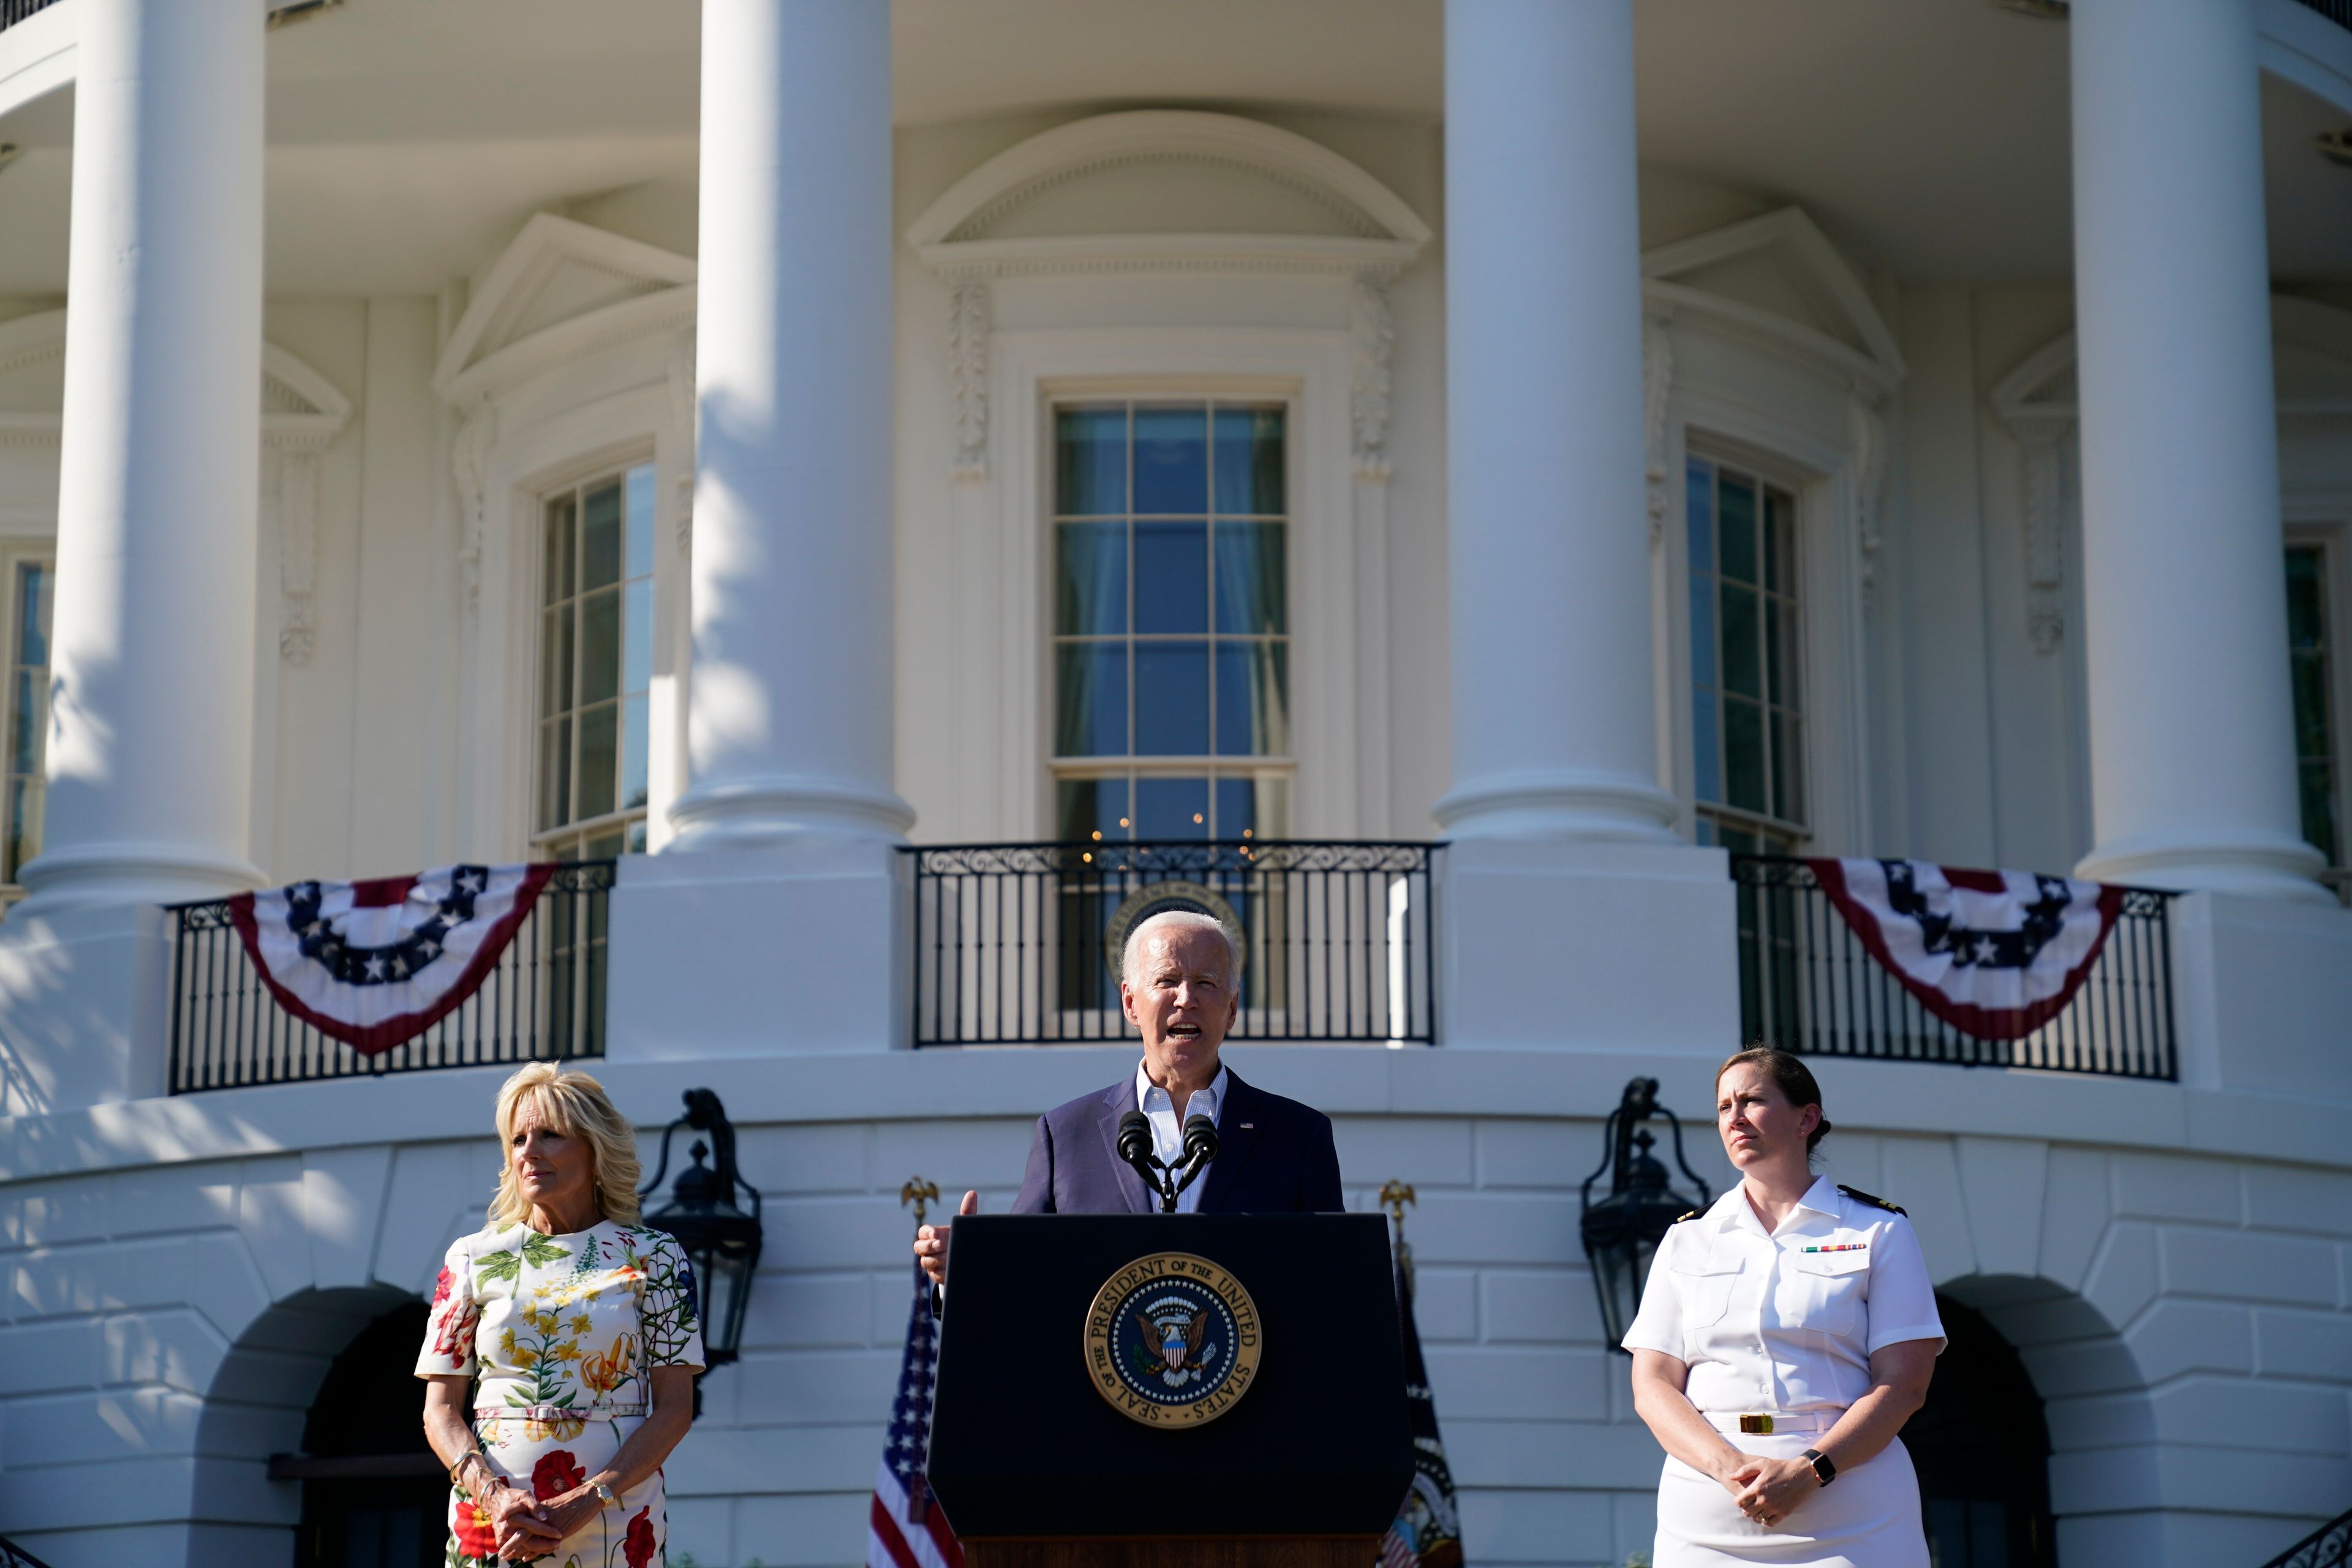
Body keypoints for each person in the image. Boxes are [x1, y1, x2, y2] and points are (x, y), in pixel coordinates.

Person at [1624, 1047, 1944, 1568]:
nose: (1735, 1117)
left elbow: (1904, 1384)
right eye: (1725, 1106)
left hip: (1851, 1504)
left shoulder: (1877, 1230)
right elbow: (1653, 1384)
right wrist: (1729, 1467)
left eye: (1752, 1100)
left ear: (1807, 1118)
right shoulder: (1687, 1239)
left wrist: (1810, 1471)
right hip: (1711, 1508)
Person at [914, 909, 1344, 1286]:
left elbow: (1333, 1282)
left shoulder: (1299, 1137)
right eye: (1168, 981)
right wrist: (967, 1269)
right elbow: (1025, 1274)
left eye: (1206, 983)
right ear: (1131, 1003)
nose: (1186, 998)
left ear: (1231, 1009)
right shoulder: (1064, 1136)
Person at [417, 1063, 704, 1565]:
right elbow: (439, 1411)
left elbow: (675, 1409)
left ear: (594, 1148)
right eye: (518, 1138)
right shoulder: (471, 1257)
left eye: (550, 1135)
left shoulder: (655, 1256)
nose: (529, 1151)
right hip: (496, 1522)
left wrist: (589, 1498)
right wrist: (494, 1496)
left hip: (616, 1517)